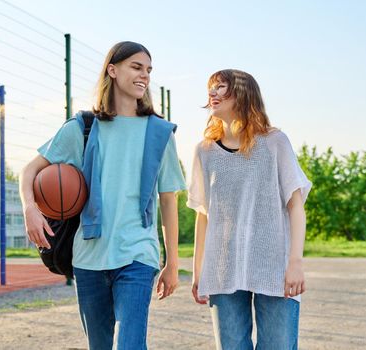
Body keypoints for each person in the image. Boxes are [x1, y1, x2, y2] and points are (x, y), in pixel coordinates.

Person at [19, 41, 186, 350]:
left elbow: (168, 201)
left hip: (138, 255)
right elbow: (29, 171)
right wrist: (30, 207)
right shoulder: (82, 128)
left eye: (148, 70)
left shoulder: (159, 133)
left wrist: (171, 262)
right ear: (112, 70)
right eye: (136, 67)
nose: (144, 76)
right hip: (88, 258)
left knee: (130, 344)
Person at [187, 69, 312, 349]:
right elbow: (204, 215)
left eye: (222, 87)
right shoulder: (204, 152)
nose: (213, 93)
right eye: (212, 87)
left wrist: (295, 262)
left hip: (274, 266)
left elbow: (295, 206)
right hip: (222, 267)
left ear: (243, 94)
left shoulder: (274, 142)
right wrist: (198, 270)